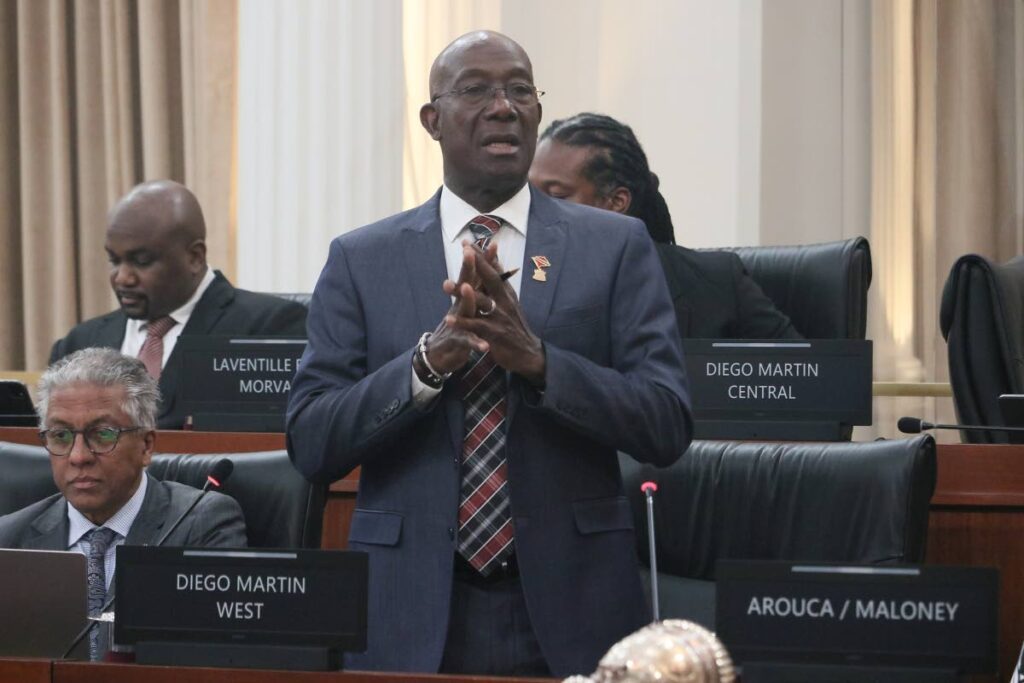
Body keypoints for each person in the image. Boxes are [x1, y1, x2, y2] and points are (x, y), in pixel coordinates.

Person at [287, 31, 691, 677]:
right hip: (410, 606)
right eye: (476, 90)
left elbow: (665, 422)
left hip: (572, 602)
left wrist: (539, 362)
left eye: (520, 89)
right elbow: (312, 441)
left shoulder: (614, 246)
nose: (504, 106)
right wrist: (426, 365)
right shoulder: (363, 258)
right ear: (433, 119)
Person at [0, 347, 246, 658]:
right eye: (60, 435)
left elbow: (214, 658)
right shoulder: (10, 539)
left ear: (146, 445)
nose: (78, 456)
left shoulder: (199, 523)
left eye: (102, 434)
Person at [49, 180, 308, 429]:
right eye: (114, 261)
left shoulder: (272, 328)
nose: (122, 277)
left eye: (141, 261)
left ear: (195, 257)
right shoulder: (78, 344)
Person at [530, 112, 802, 340]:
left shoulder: (717, 284)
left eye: (555, 196)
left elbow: (805, 381)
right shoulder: (524, 281)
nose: (534, 210)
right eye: (530, 195)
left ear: (616, 202)